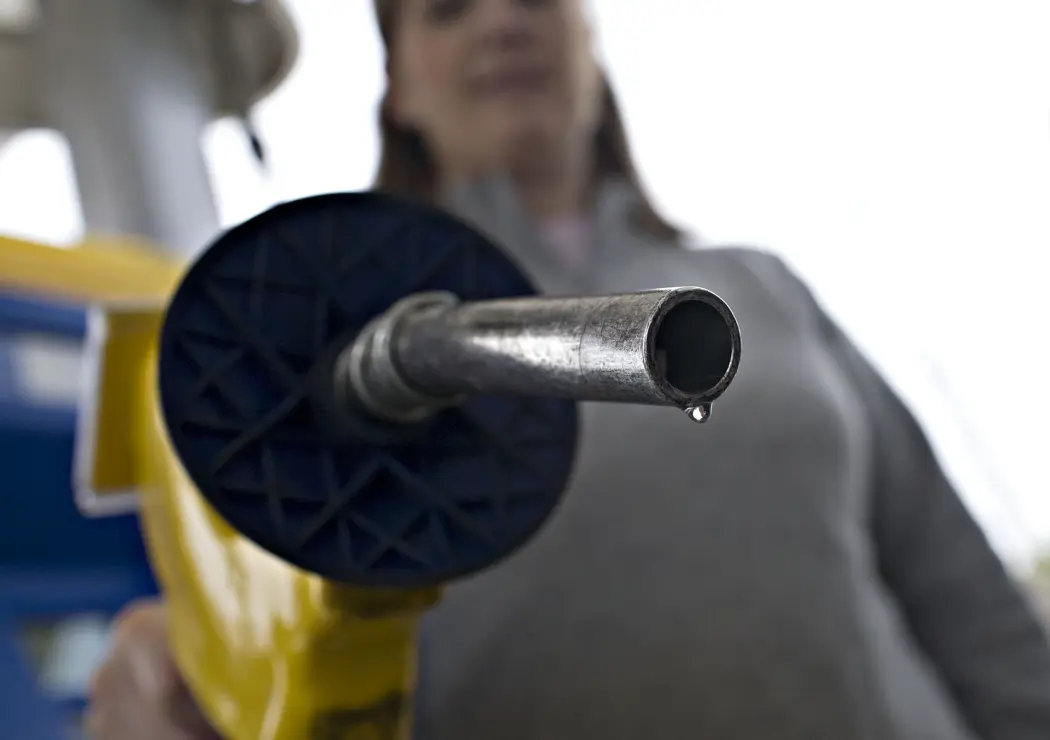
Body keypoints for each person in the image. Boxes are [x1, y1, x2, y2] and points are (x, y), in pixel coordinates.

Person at [87, 1, 1050, 738]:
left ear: (590, 43)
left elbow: (962, 596)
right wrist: (182, 677)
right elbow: (266, 624)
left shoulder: (760, 286)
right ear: (400, 89)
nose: (502, 21)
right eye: (449, 9)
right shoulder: (315, 352)